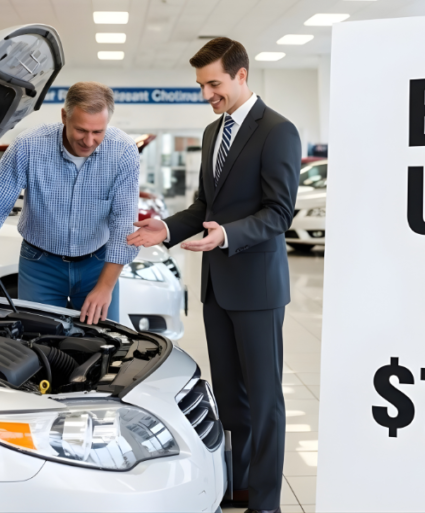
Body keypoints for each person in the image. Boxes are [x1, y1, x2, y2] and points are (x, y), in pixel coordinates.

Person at [127, 38, 301, 513]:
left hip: (257, 286)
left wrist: (226, 236)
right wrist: (164, 227)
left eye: (214, 83)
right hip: (216, 287)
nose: (207, 93)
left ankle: (265, 504)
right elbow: (205, 207)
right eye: (203, 85)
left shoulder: (277, 131)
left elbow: (279, 213)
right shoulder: (212, 132)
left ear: (241, 75)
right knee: (229, 396)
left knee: (264, 402)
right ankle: (239, 483)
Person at [0, 82, 139, 325]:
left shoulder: (123, 151)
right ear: (64, 116)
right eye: (81, 130)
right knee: (38, 343)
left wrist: (105, 287)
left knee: (102, 342)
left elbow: (123, 225)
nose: (88, 141)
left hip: (97, 265)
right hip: (40, 266)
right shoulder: (28, 146)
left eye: (98, 132)